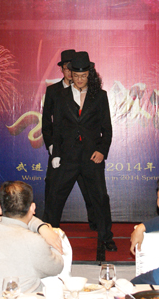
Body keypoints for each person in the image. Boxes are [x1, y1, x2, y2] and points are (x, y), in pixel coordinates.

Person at [47, 51, 116, 252]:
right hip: (67, 156)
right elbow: (57, 128)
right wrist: (56, 153)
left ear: (90, 74)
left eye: (83, 76)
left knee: (100, 198)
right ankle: (49, 236)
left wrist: (102, 150)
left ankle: (106, 237)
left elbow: (107, 128)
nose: (79, 79)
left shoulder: (100, 96)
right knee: (55, 197)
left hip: (91, 156)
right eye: (76, 76)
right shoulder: (60, 96)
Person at [0, 181, 64, 299]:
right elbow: (57, 267)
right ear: (33, 208)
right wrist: (52, 238)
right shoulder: (33, 241)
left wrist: (41, 226)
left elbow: (23, 219)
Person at [42, 49, 96, 231]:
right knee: (53, 189)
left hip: (84, 151)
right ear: (62, 69)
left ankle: (95, 223)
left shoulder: (89, 91)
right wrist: (52, 147)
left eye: (72, 68)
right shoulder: (53, 91)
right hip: (61, 151)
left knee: (90, 190)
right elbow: (47, 122)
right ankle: (49, 226)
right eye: (66, 68)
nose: (70, 72)